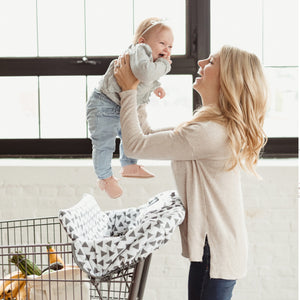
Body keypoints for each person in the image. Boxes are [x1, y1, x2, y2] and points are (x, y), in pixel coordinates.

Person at [114, 46, 268, 300]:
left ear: (227, 79)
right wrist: (140, 90)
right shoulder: (210, 127)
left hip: (216, 251)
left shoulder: (207, 133)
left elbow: (134, 145)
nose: (200, 61)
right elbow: (147, 136)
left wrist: (128, 90)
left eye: (212, 61)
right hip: (219, 247)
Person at [86, 17, 174, 199]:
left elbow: (146, 76)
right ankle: (105, 178)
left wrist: (156, 85)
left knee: (131, 134)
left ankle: (129, 165)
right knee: (104, 144)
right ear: (142, 42)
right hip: (104, 104)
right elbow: (144, 72)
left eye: (171, 46)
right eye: (162, 43)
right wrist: (165, 65)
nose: (167, 49)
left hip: (119, 104)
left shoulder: (147, 58)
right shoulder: (139, 50)